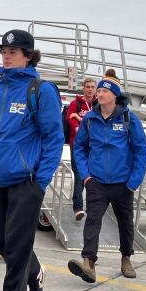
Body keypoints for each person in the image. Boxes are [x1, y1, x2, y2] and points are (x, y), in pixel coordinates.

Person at [0, 29, 63, 291]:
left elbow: (53, 139)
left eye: (12, 52)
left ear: (28, 56)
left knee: (16, 246)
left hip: (24, 183)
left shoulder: (41, 90)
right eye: (3, 52)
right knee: (2, 243)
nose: (6, 57)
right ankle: (35, 270)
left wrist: (40, 181)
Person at [68, 75, 146, 282]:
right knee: (92, 220)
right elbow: (80, 147)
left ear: (115, 95)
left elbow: (141, 151)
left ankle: (126, 258)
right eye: (99, 91)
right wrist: (86, 176)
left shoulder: (129, 119)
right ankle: (88, 263)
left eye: (104, 91)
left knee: (125, 223)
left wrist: (133, 182)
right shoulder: (90, 119)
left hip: (123, 182)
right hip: (97, 181)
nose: (99, 94)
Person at [67, 76, 96, 220]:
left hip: (94, 145)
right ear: (84, 88)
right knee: (78, 175)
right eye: (88, 87)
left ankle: (92, 206)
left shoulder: (98, 104)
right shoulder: (75, 103)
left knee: (93, 175)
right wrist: (79, 126)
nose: (90, 89)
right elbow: (70, 118)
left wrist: (80, 118)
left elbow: (98, 120)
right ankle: (78, 208)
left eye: (92, 87)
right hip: (77, 144)